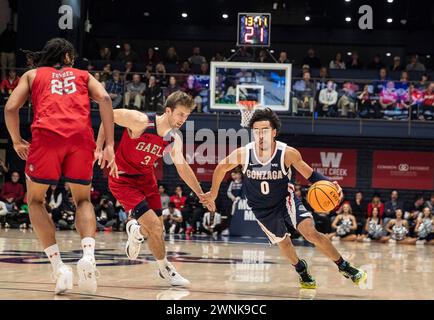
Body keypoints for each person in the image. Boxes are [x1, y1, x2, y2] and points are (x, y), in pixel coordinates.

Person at [203, 108, 367, 289]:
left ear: (274, 132)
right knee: (285, 243)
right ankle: (301, 269)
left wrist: (330, 183)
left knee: (310, 232)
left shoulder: (287, 153)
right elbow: (220, 168)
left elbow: (310, 175)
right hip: (261, 209)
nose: (260, 135)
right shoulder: (244, 153)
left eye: (264, 130)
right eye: (256, 131)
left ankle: (344, 266)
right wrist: (213, 193)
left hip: (285, 200)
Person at [4, 38, 117, 295]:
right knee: (83, 200)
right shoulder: (83, 75)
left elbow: (11, 107)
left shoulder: (33, 75)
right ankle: (88, 257)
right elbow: (106, 99)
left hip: (46, 137)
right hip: (80, 137)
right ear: (66, 57)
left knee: (34, 201)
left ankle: (59, 267)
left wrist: (16, 141)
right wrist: (109, 144)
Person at [96, 91, 215, 287]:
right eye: (180, 114)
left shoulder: (173, 138)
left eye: (186, 116)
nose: (183, 120)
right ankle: (165, 268)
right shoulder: (141, 121)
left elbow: (183, 167)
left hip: (146, 179)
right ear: (168, 111)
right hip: (123, 179)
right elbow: (107, 114)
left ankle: (136, 232)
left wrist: (201, 194)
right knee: (155, 226)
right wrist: (101, 147)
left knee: (157, 230)